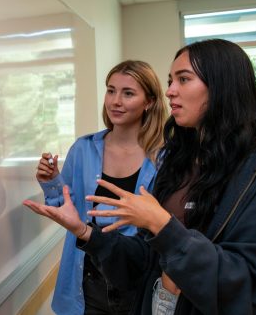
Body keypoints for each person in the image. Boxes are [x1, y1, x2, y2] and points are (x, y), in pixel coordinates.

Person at [24, 38, 256, 315]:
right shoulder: (178, 162)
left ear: (223, 86)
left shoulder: (247, 172)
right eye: (170, 80)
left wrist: (162, 225)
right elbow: (146, 258)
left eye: (183, 80)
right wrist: (84, 231)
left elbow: (245, 283)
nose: (170, 91)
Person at [34, 60, 168, 314]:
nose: (115, 101)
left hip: (138, 281)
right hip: (87, 281)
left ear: (149, 102)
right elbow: (69, 213)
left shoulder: (164, 157)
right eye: (111, 90)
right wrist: (52, 181)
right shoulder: (83, 149)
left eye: (128, 93)